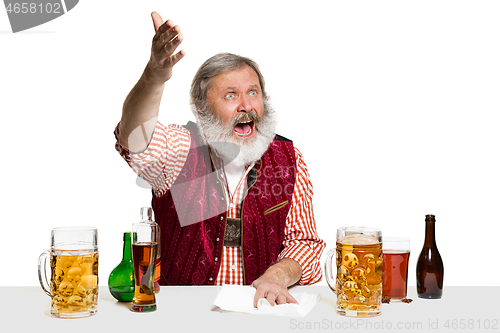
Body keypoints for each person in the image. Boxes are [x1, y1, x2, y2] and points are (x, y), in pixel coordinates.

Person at [115, 12, 325, 307]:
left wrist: (278, 275)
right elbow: (135, 138)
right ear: (201, 110)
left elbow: (304, 243)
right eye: (230, 95)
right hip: (181, 315)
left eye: (253, 92)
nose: (246, 105)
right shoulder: (181, 149)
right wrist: (154, 76)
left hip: (259, 313)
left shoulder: (289, 159)